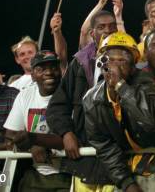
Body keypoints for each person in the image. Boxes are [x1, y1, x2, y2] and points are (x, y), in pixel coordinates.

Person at [84, 32, 155, 192]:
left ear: (133, 67)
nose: (114, 66)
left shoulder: (144, 82)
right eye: (109, 60)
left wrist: (120, 86)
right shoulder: (91, 100)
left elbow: (152, 120)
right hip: (125, 169)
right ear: (101, 64)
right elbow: (104, 147)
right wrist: (127, 184)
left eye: (122, 60)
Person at [46, 10, 117, 190]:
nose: (108, 31)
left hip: (118, 158)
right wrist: (66, 133)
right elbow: (57, 106)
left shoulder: (130, 60)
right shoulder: (79, 63)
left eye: (112, 27)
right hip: (85, 159)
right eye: (102, 27)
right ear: (92, 33)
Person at [4, 51, 71, 191]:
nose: (49, 72)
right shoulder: (25, 95)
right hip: (36, 173)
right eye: (41, 69)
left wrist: (34, 139)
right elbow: (10, 135)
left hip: (69, 173)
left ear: (60, 70)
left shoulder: (71, 94)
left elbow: (71, 137)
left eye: (53, 67)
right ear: (33, 75)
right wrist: (32, 145)